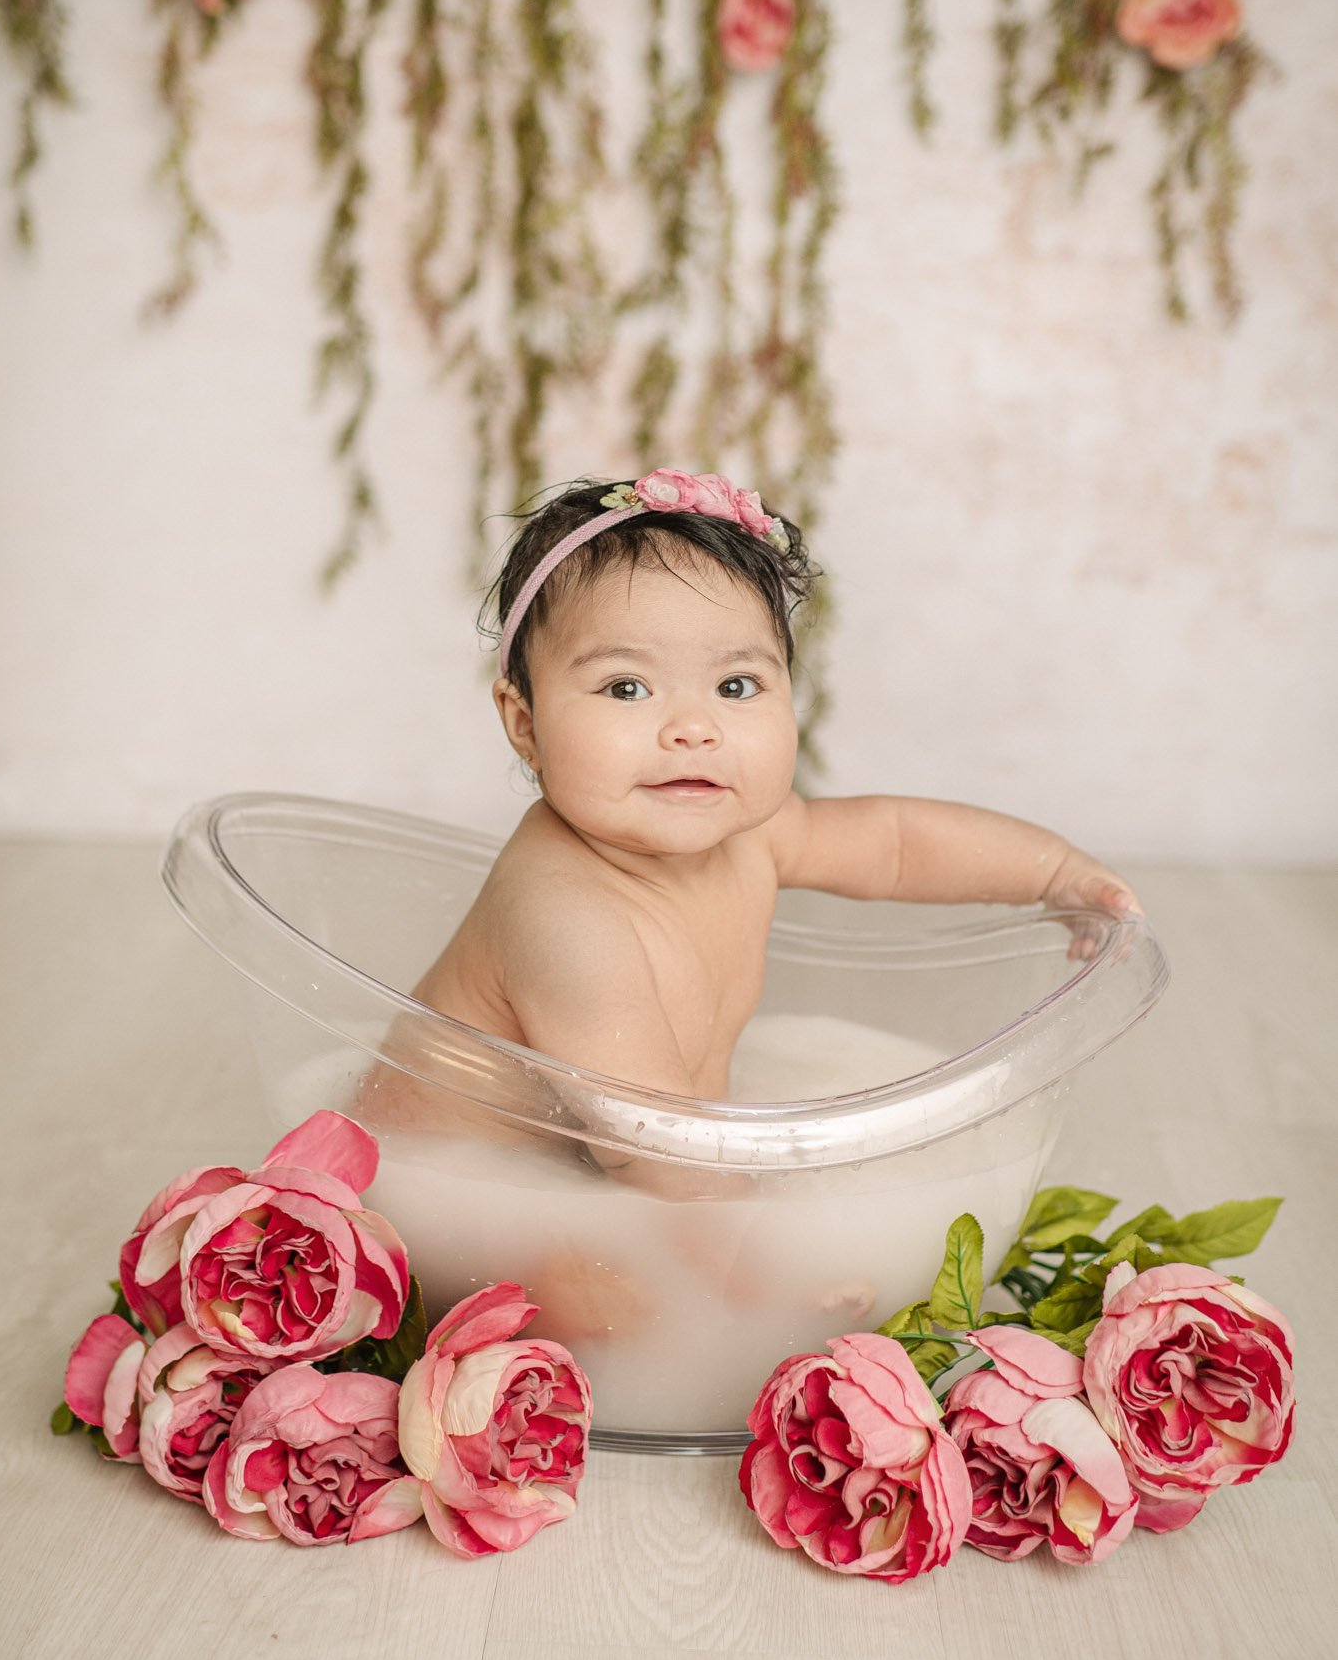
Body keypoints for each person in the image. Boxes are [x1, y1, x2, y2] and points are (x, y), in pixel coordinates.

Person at [389, 467, 1141, 1191]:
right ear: (525, 725)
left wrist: (1054, 875)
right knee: (620, 1301)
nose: (692, 727)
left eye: (734, 685)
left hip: (631, 1162)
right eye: (627, 687)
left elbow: (897, 845)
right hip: (446, 1190)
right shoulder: (566, 919)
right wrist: (756, 1260)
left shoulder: (752, 831)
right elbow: (649, 1150)